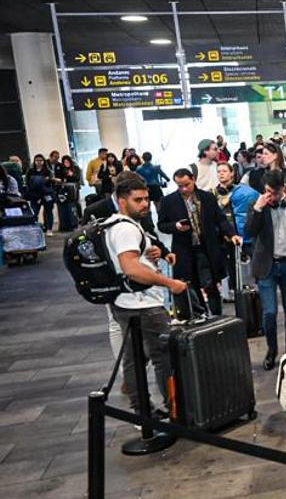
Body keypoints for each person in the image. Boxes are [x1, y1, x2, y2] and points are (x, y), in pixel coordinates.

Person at [102, 173, 188, 413]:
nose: (144, 204)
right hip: (143, 305)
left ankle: (143, 411)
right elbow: (131, 268)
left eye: (146, 199)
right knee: (164, 357)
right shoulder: (125, 229)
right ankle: (175, 410)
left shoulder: (115, 224)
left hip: (125, 302)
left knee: (134, 359)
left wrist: (153, 254)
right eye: (137, 200)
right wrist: (169, 282)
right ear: (122, 201)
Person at [247, 170, 286, 369]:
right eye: (268, 192)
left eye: (275, 193)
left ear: (283, 188)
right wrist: (258, 209)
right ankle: (271, 349)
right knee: (270, 312)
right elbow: (249, 231)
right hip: (267, 265)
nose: (271, 197)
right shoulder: (258, 205)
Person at [158, 168, 241, 317]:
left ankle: (217, 316)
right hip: (184, 249)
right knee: (191, 285)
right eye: (179, 186)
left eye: (186, 184)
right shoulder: (169, 201)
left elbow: (220, 219)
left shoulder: (207, 197)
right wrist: (175, 226)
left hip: (206, 247)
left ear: (193, 179)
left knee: (210, 283)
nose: (183, 189)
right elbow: (161, 225)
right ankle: (200, 315)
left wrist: (232, 234)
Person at [215, 161, 258, 284]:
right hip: (224, 238)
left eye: (224, 171)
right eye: (219, 172)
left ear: (231, 173)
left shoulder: (244, 191)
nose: (221, 174)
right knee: (230, 267)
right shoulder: (212, 194)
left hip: (244, 236)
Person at [25, 154, 55, 234]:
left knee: (48, 212)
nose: (38, 162)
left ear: (43, 161)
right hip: (34, 195)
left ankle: (49, 229)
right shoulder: (30, 171)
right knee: (34, 212)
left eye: (40, 160)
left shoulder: (47, 171)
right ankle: (34, 229)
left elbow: (50, 182)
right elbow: (27, 182)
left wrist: (44, 181)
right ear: (34, 161)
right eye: (37, 160)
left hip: (46, 194)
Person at [55, 154, 81, 232]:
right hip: (63, 189)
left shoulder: (75, 168)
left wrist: (71, 174)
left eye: (67, 161)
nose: (66, 163)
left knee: (74, 205)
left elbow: (77, 178)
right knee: (63, 207)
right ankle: (64, 225)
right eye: (64, 162)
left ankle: (75, 222)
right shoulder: (61, 169)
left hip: (73, 189)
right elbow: (60, 178)